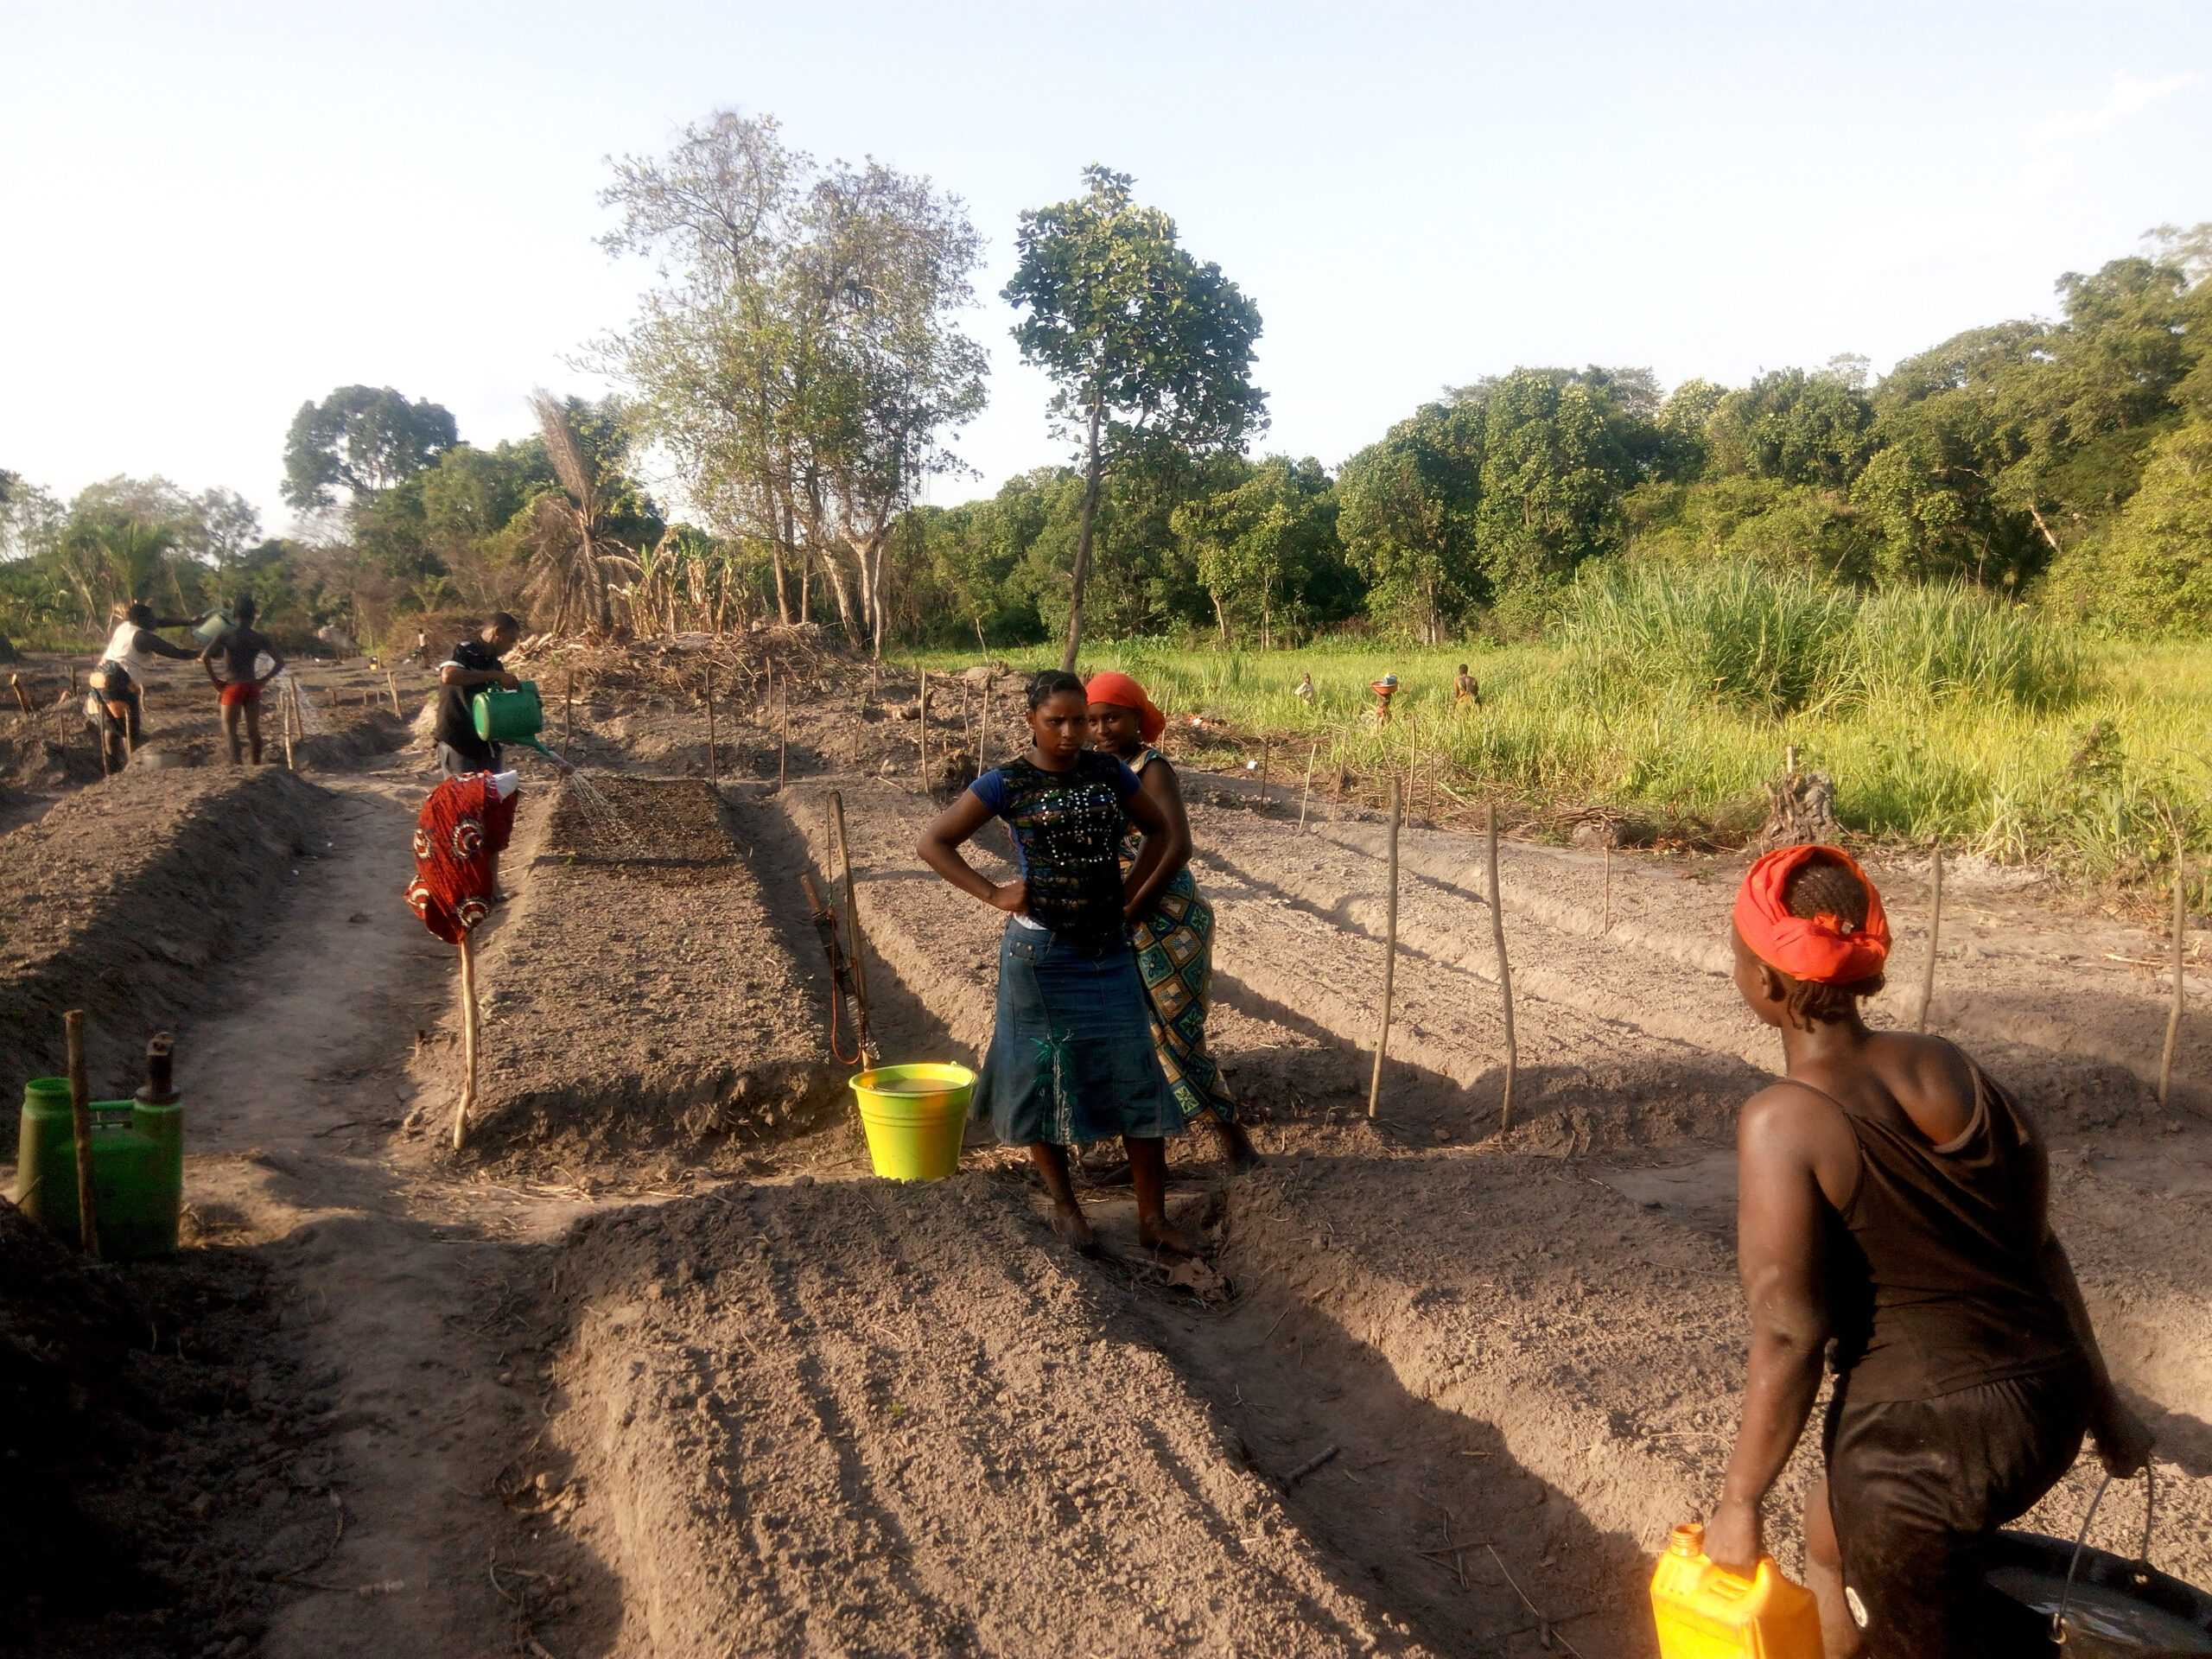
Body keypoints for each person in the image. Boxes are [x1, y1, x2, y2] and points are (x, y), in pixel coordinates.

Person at [1705, 844, 2150, 1658]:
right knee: (1831, 1536)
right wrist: (2104, 1410)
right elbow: (2042, 1250)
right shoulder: (1951, 1066)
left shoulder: (1781, 1122)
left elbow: (1791, 1330)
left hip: (1920, 1449)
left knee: (1915, 1629)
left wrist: (1738, 1502)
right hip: (2044, 1405)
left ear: (1764, 982)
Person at [918, 671, 1198, 1258]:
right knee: (1040, 1078)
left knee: (1136, 1076)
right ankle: (1067, 1207)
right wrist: (993, 893)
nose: (1071, 733)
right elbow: (933, 843)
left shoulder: (1109, 772)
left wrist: (1127, 898)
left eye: (1078, 721)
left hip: (1108, 951)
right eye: (1057, 722)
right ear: (1031, 721)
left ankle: (1153, 1220)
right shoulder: (1006, 782)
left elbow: (1160, 831)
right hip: (1041, 956)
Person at [1086, 671, 1261, 1175]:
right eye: (1092, 720)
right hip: (1121, 916)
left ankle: (1238, 1146)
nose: (1101, 729)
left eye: (1112, 718)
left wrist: (1131, 911)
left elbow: (1177, 846)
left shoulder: (1152, 768)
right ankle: (1148, 1158)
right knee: (1134, 1038)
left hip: (1167, 919)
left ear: (1137, 717)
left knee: (1177, 1036)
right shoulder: (1097, 770)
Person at [86, 602, 199, 776]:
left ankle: (111, 773)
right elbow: (177, 653)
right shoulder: (143, 638)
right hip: (118, 680)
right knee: (129, 731)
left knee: (111, 727)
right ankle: (134, 771)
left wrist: (189, 622)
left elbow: (160, 622)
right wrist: (204, 652)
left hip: (98, 676)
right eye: (151, 618)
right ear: (141, 621)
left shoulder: (125, 627)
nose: (155, 621)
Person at [435, 613, 524, 779]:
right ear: (497, 632)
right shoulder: (463, 650)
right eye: (511, 640)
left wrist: (505, 732)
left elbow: (494, 705)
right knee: (464, 792)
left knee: (491, 792)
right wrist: (494, 676)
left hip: (485, 742)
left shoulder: (495, 664)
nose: (512, 647)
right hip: (458, 740)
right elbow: (448, 675)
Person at [198, 596, 284, 765]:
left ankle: (237, 766)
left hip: (233, 686)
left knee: (229, 729)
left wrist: (215, 680)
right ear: (253, 616)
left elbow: (205, 656)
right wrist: (264, 679)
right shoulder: (259, 637)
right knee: (253, 731)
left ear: (234, 615)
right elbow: (280, 662)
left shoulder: (226, 634)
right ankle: (256, 765)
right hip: (252, 686)